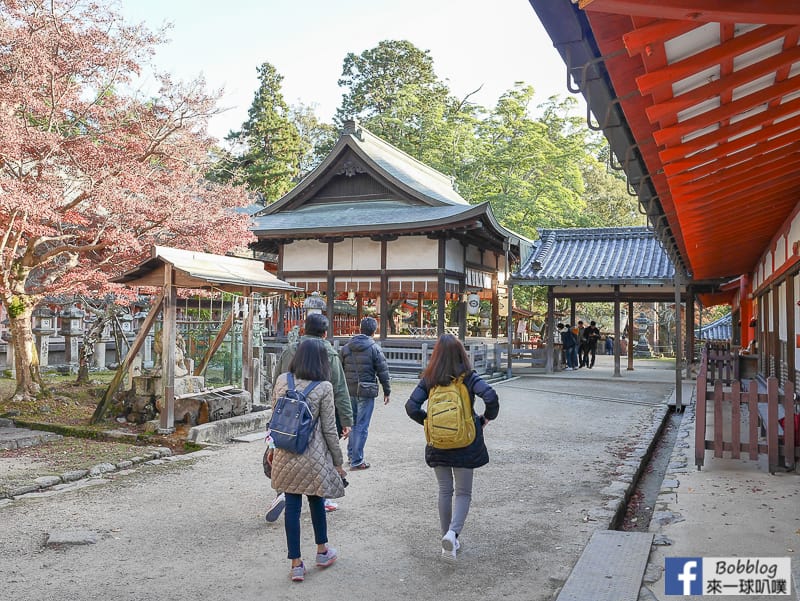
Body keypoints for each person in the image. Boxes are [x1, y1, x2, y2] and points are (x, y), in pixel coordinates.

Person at [404, 334, 499, 560]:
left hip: (438, 442)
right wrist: (485, 418)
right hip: (465, 441)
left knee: (445, 490)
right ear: (460, 353)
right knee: (463, 492)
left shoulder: (430, 378)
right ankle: (453, 534)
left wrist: (428, 422)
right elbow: (491, 396)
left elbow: (410, 406)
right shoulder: (468, 377)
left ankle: (447, 538)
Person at [268, 338, 346, 582]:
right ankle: (322, 551)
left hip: (285, 451)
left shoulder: (282, 381)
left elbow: (274, 417)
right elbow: (330, 429)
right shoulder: (323, 387)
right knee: (316, 501)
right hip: (313, 456)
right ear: (321, 361)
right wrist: (338, 461)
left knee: (292, 507)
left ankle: (296, 564)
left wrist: (270, 447)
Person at [268, 313, 353, 519]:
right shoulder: (330, 353)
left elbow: (276, 381)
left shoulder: (290, 350)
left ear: (304, 329)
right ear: (325, 333)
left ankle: (283, 493)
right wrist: (347, 419)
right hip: (316, 413)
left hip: (287, 414)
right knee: (319, 453)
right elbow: (339, 388)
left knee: (286, 451)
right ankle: (322, 497)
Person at [340, 317, 391, 470]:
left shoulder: (346, 348)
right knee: (361, 425)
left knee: (352, 423)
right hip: (366, 391)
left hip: (349, 390)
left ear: (360, 328)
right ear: (374, 332)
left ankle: (351, 455)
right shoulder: (374, 348)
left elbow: (340, 370)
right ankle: (357, 460)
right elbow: (383, 371)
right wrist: (386, 390)